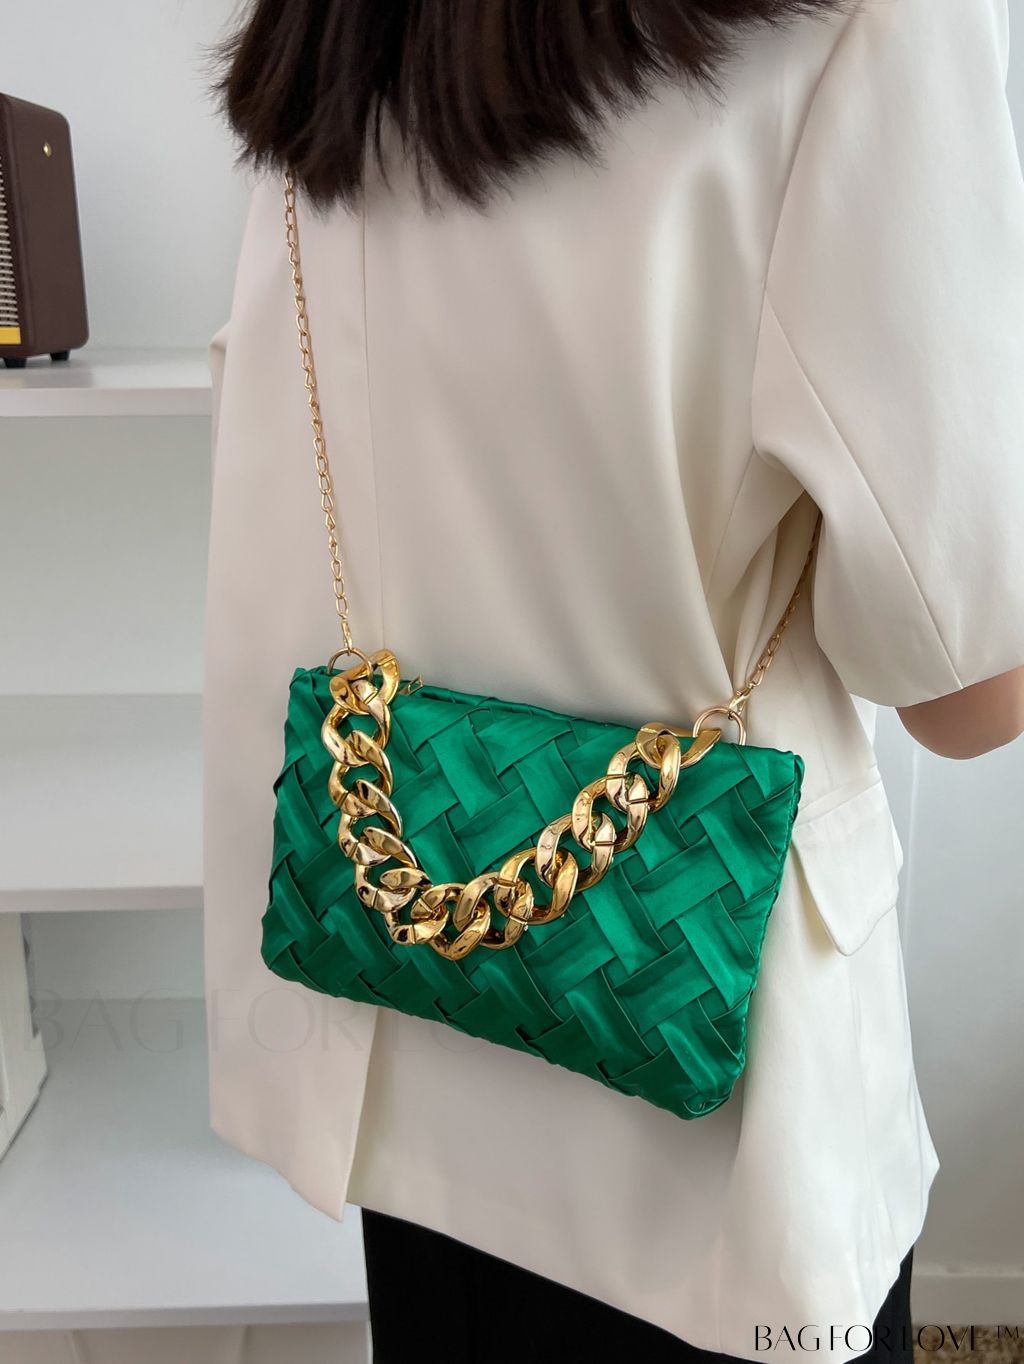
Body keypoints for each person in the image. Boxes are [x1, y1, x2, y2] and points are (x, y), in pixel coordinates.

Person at [202, 0, 1024, 1359]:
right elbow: (967, 691)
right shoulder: (873, 22)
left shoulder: (342, 29)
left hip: (410, 1045)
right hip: (717, 1132)